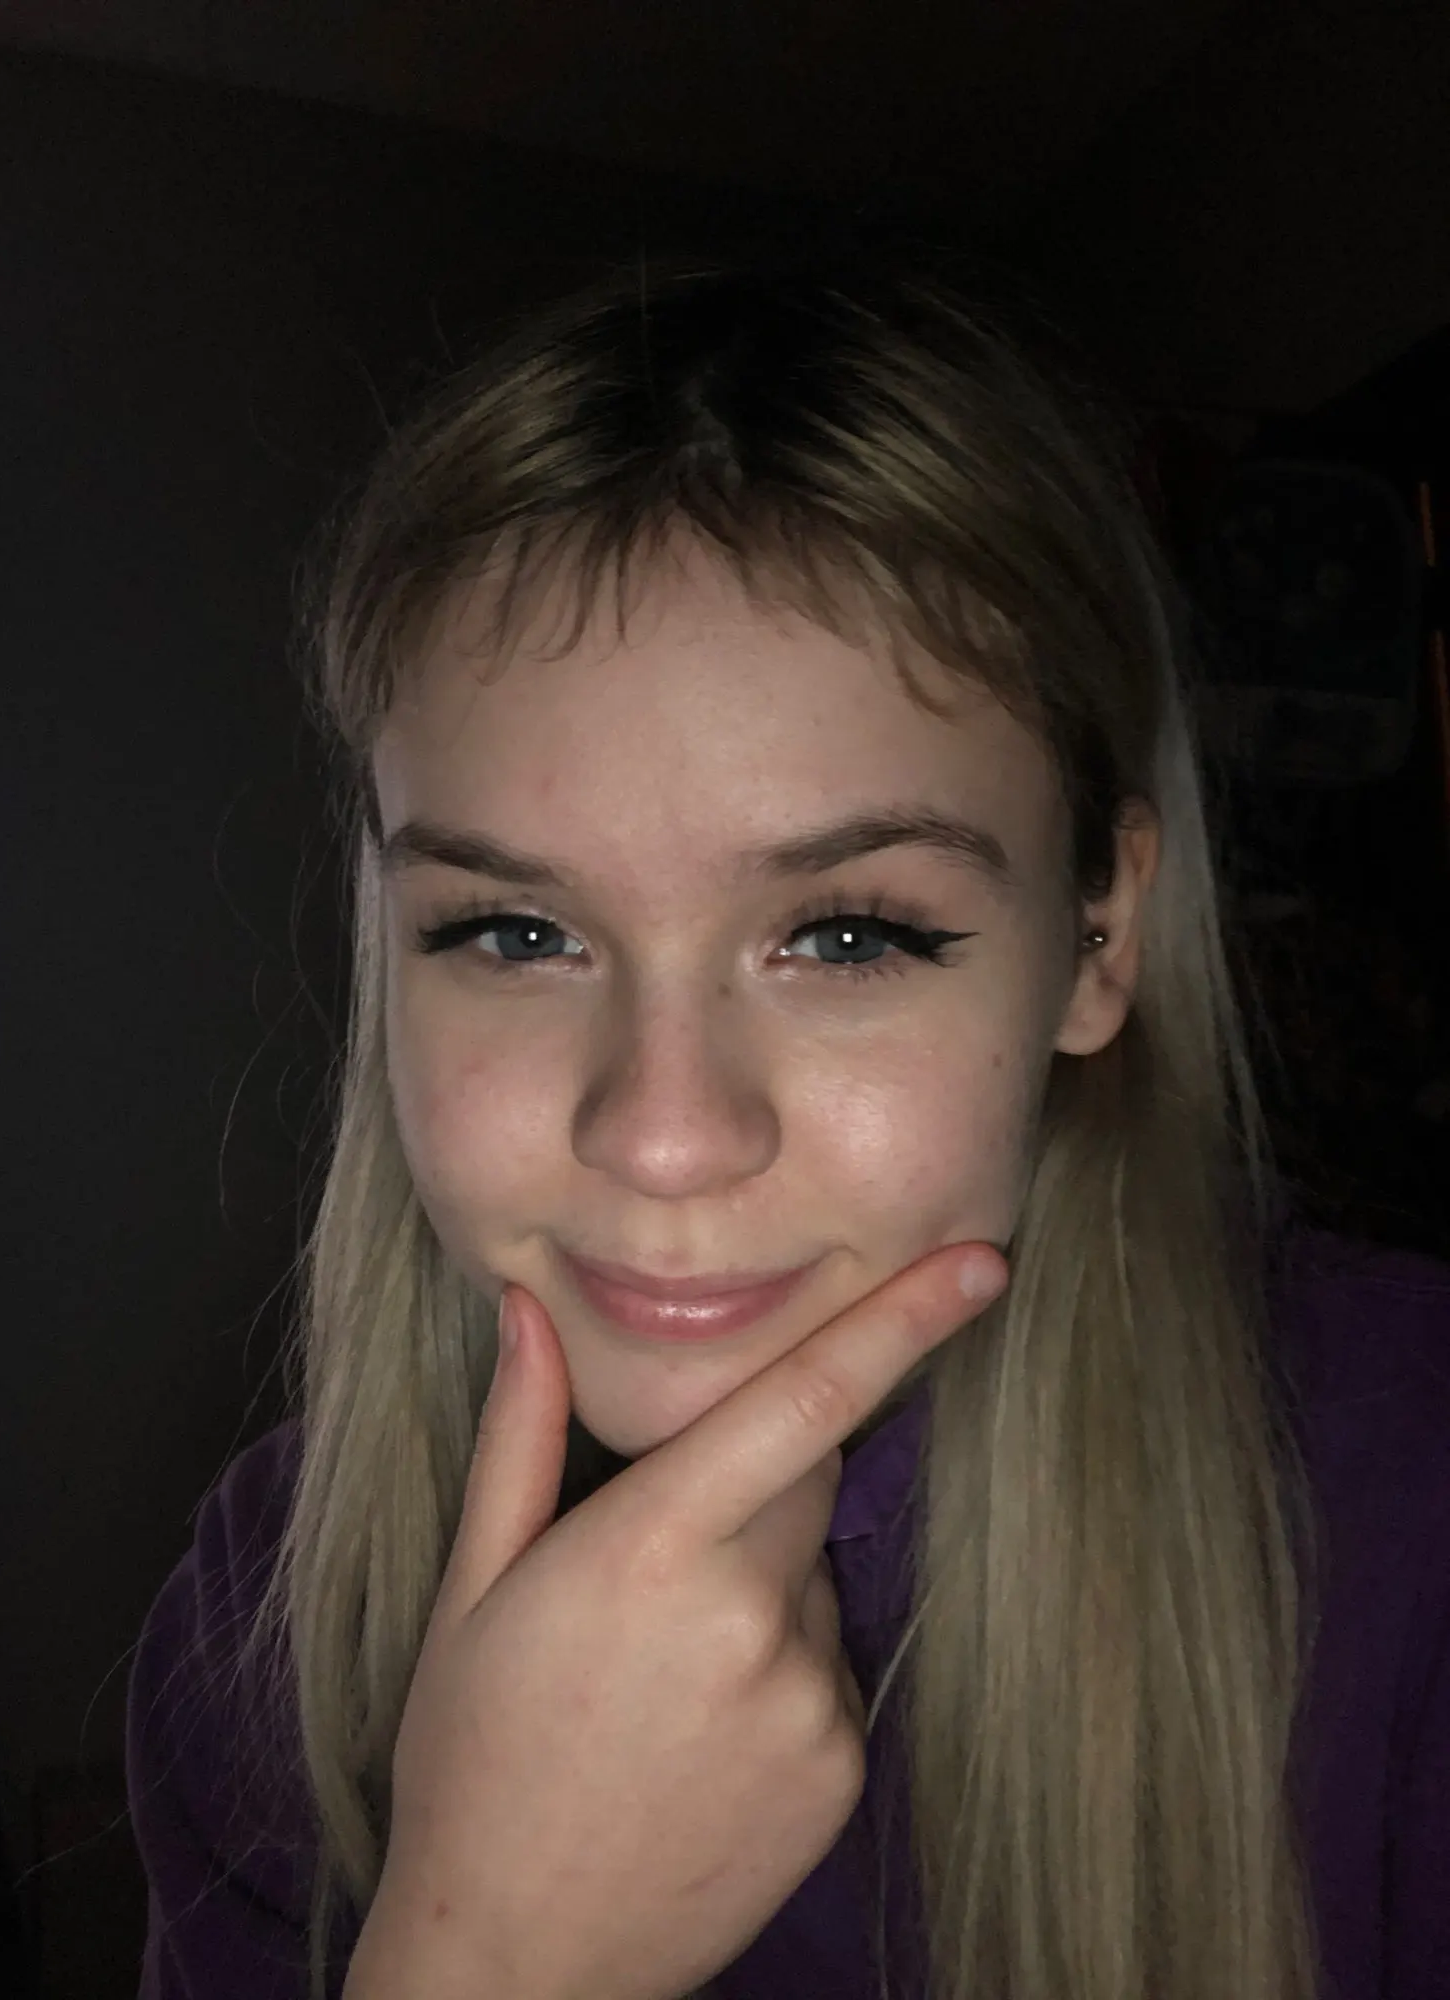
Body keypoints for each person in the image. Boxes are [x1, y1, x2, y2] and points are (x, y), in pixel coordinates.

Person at [125, 258, 1450, 2000]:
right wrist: (489, 1949)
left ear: (1096, 940)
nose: (663, 1139)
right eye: (513, 933)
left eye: (844, 937)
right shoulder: (266, 1611)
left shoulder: (1411, 1496)